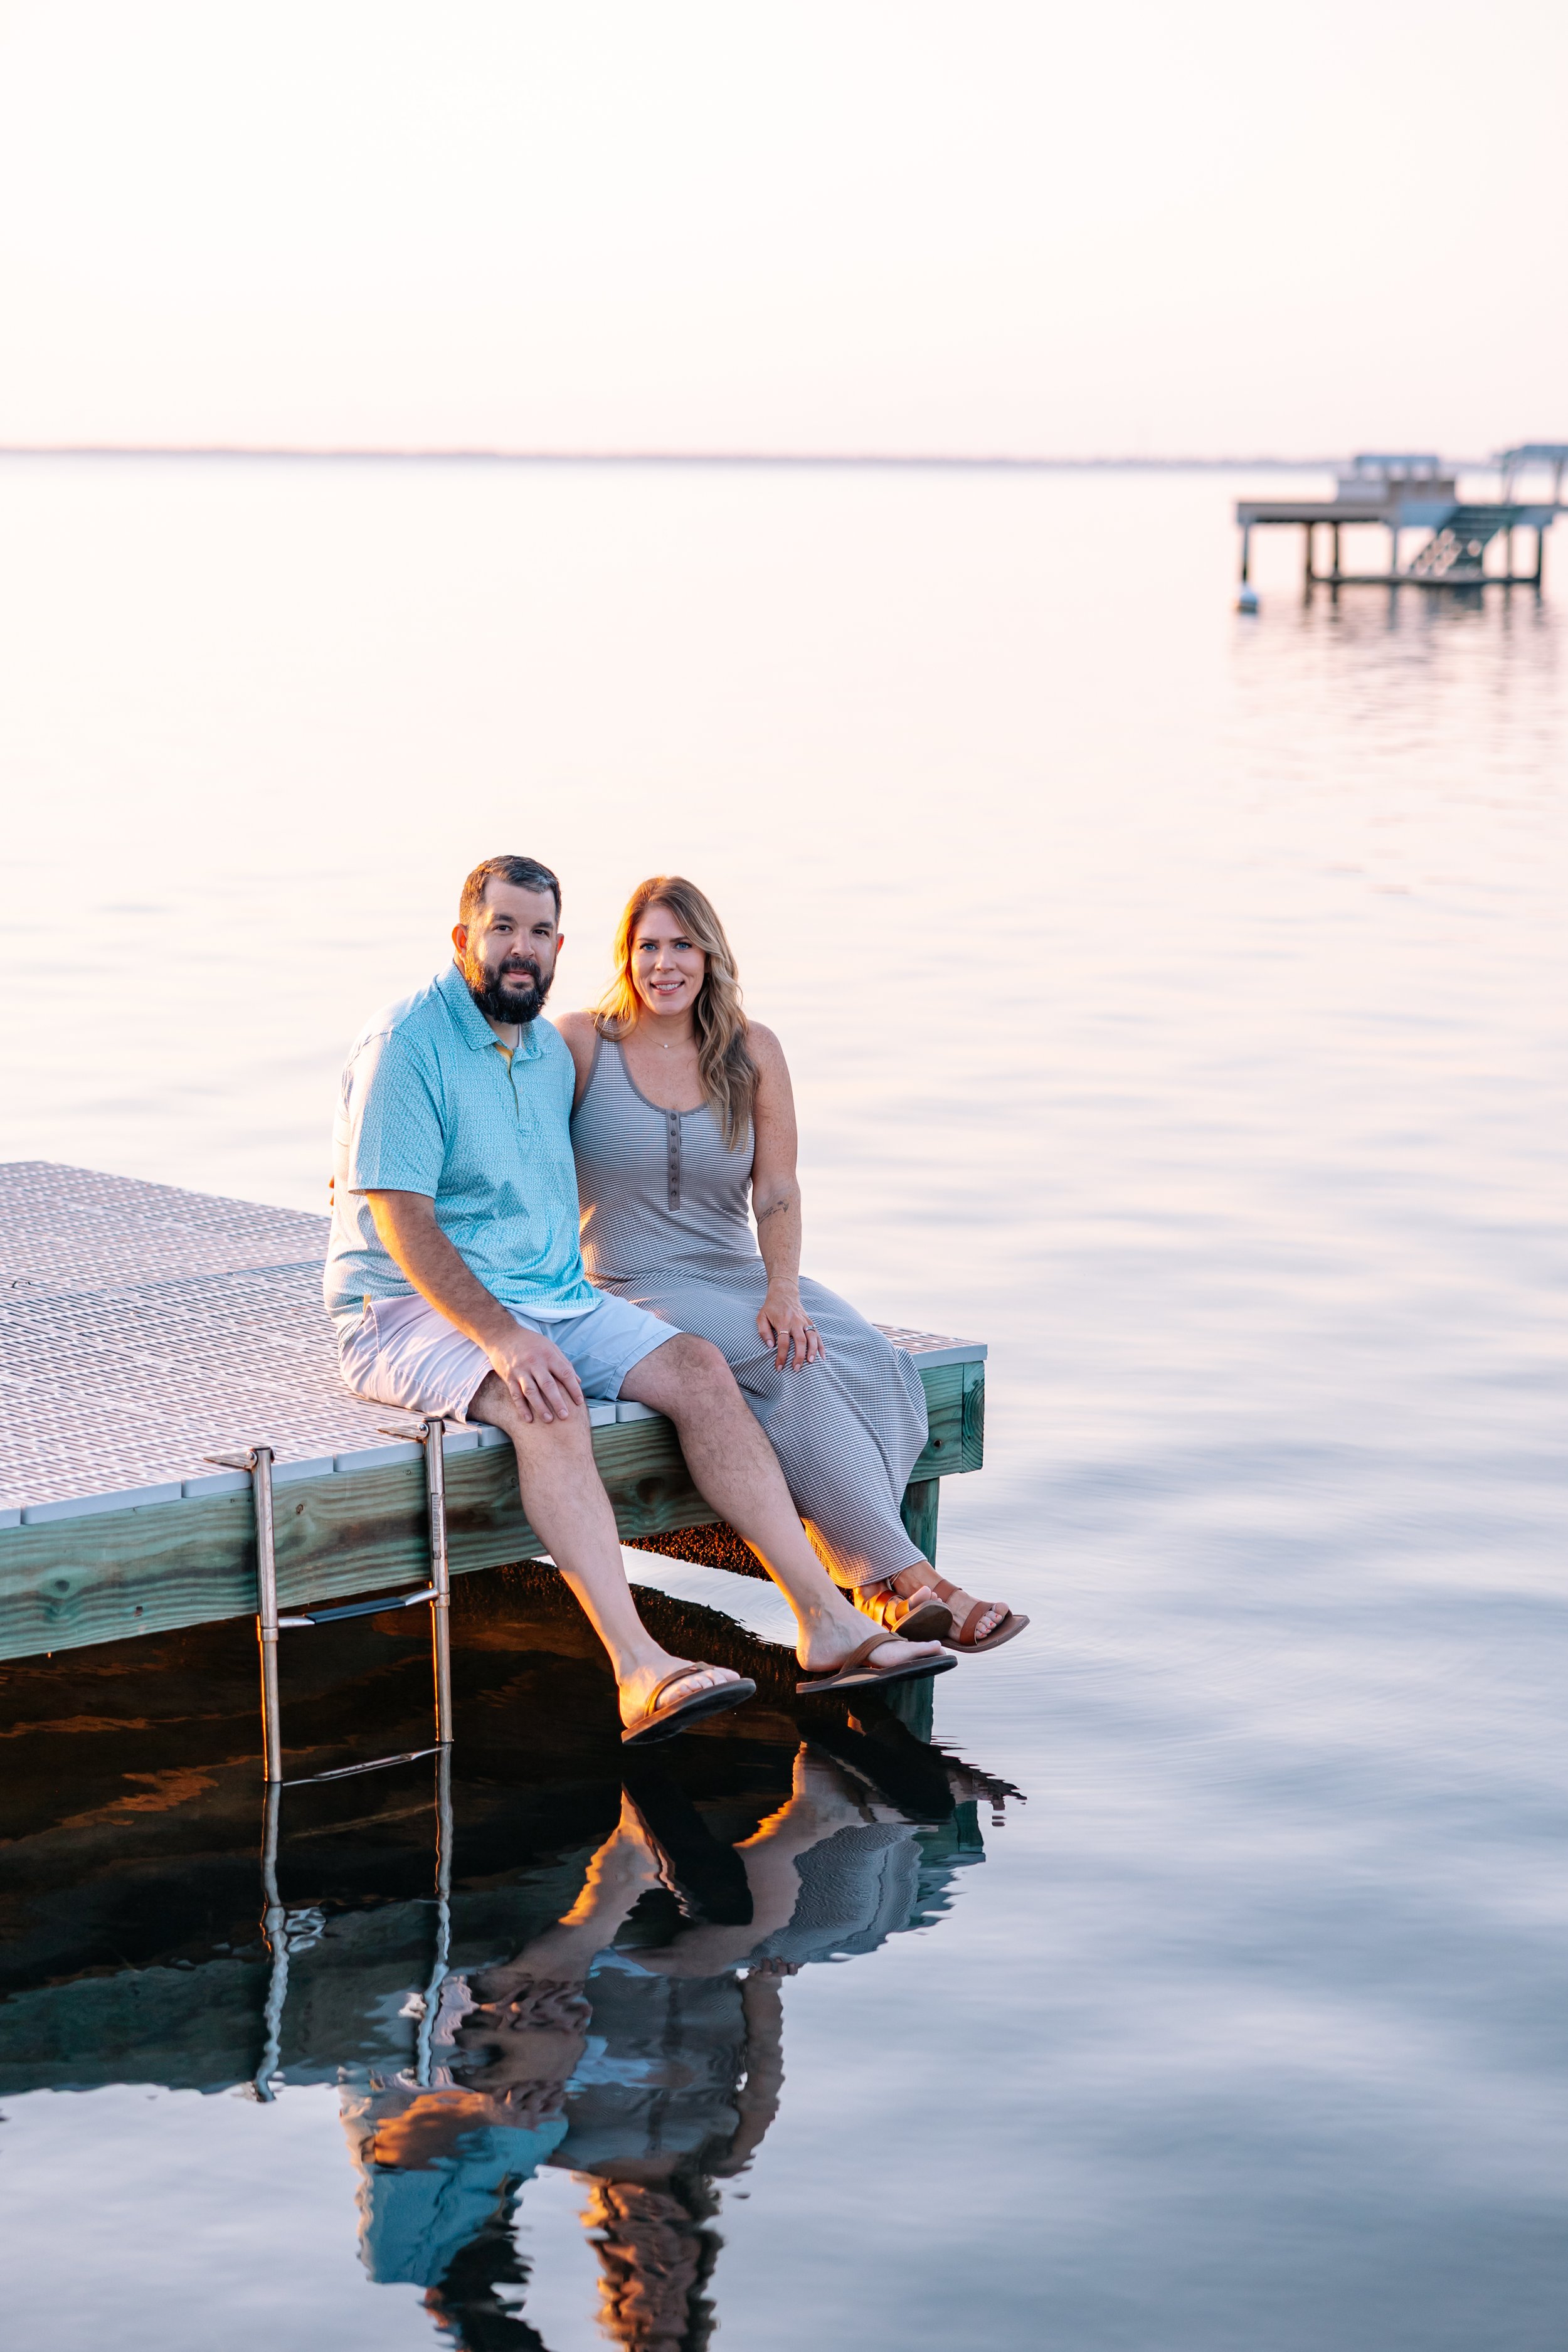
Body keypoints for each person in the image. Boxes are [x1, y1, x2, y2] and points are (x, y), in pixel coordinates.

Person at [324, 853, 950, 1745]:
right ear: (463, 937)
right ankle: (637, 1665)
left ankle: (829, 1621)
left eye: (539, 932)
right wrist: (504, 1337)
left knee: (699, 1365)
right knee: (549, 1402)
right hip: (406, 1312)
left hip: (548, 1293)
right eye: (502, 928)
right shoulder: (407, 1044)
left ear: (560, 945)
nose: (521, 949)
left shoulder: (545, 1049)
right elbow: (398, 1218)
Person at [556, 876, 1026, 1655]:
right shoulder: (580, 1042)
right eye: (648, 946)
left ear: (710, 955)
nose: (664, 964)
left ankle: (874, 1591)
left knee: (877, 1362)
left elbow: (776, 1188)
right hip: (633, 1286)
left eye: (682, 945)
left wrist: (783, 1290)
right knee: (794, 1367)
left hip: (737, 1273)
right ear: (624, 955)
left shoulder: (750, 1048)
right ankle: (913, 1582)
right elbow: (501, 1121)